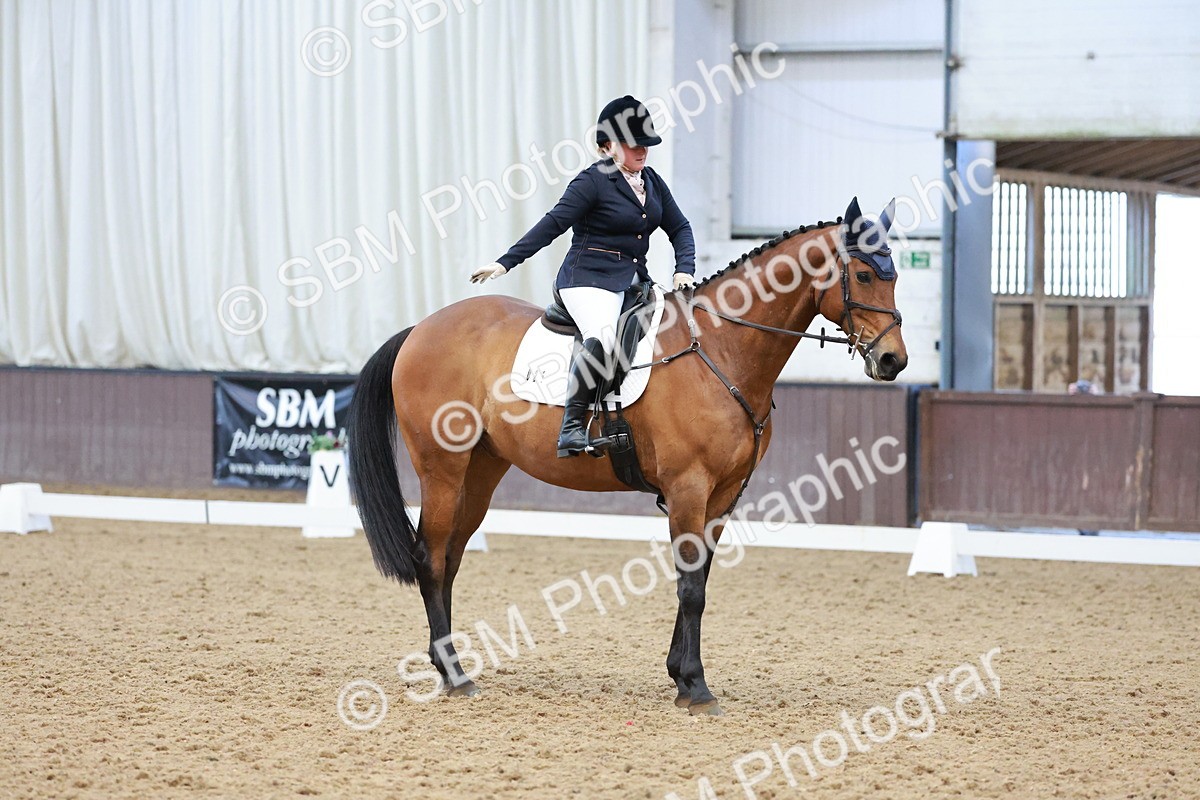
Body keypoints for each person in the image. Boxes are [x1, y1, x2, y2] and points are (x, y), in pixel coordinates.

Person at [469, 95, 696, 457]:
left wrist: (684, 268)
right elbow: (553, 224)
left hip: (635, 282)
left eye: (645, 144)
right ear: (607, 146)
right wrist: (505, 262)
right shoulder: (593, 181)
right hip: (588, 279)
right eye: (632, 144)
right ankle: (572, 427)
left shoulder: (651, 182)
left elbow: (680, 227)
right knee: (602, 336)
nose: (642, 151)